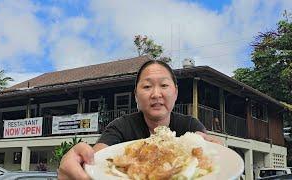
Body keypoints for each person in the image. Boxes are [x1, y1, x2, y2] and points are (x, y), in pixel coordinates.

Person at [58, 60, 221, 179]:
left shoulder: (190, 126)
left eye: (164, 85)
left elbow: (206, 156)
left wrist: (215, 150)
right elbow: (98, 157)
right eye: (147, 86)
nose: (156, 94)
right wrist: (80, 164)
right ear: (136, 95)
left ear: (176, 92)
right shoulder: (120, 126)